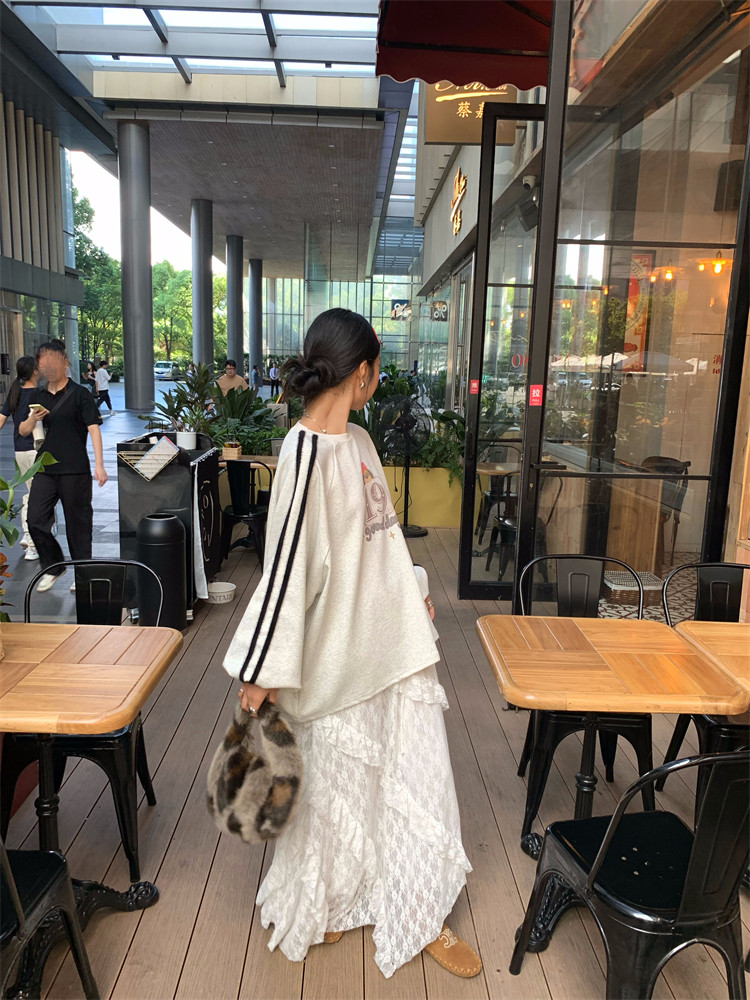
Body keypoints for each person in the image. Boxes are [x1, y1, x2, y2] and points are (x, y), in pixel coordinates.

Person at [223, 308, 479, 981]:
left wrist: (412, 591)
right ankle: (335, 898)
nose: (378, 380)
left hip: (392, 646)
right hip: (334, 655)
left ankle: (421, 912)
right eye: (378, 370)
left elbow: (382, 535)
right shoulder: (303, 455)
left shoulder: (360, 441)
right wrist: (260, 669)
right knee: (335, 790)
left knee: (413, 777)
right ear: (361, 372)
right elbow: (285, 573)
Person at [19, 341, 107, 593]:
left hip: (75, 469)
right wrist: (33, 419)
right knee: (35, 519)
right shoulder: (37, 395)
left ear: (64, 362)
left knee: (78, 525)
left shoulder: (80, 394)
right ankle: (54, 566)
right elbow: (23, 430)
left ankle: (82, 574)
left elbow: (93, 428)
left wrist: (100, 465)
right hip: (45, 469)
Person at [0, 356, 40, 560]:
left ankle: (32, 536)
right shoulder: (38, 394)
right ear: (34, 371)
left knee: (32, 493)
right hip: (36, 450)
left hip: (20, 451)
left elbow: (1, 419)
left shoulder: (14, 392)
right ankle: (30, 539)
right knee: (37, 496)